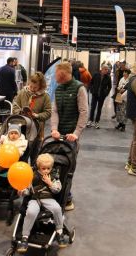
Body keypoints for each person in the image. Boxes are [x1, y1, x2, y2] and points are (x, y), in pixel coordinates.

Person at [51, 62, 88, 210]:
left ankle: (67, 198)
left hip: (71, 137)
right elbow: (55, 111)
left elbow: (83, 112)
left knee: (67, 169)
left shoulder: (79, 88)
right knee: (54, 166)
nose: (54, 76)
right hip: (57, 135)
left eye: (56, 73)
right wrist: (54, 129)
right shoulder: (58, 89)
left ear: (62, 73)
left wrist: (76, 133)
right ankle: (55, 193)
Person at [17, 153, 69, 253]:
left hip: (48, 198)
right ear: (38, 167)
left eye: (48, 168)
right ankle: (25, 237)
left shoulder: (53, 176)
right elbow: (28, 190)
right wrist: (22, 192)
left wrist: (50, 183)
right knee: (31, 212)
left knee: (57, 208)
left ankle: (59, 231)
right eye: (43, 168)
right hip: (35, 198)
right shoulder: (32, 175)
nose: (46, 171)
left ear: (51, 167)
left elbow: (57, 190)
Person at [12, 72, 52, 140]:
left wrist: (37, 115)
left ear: (41, 86)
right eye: (31, 86)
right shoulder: (22, 92)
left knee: (34, 145)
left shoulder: (45, 96)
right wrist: (20, 112)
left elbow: (48, 112)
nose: (32, 89)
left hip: (37, 129)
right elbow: (15, 106)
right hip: (21, 126)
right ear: (29, 83)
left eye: (35, 87)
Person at [0, 57, 18, 123]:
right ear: (11, 62)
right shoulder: (12, 70)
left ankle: (0, 120)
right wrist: (15, 90)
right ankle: (6, 121)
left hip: (0, 91)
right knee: (8, 106)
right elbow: (13, 82)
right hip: (9, 92)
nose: (14, 64)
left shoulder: (0, 69)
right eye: (13, 62)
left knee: (1, 105)